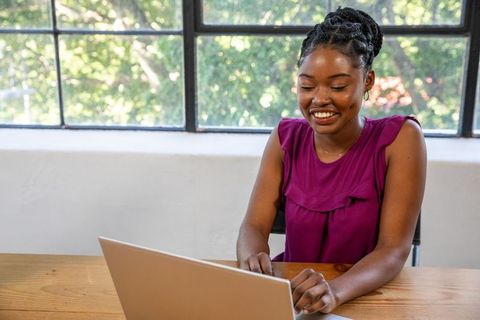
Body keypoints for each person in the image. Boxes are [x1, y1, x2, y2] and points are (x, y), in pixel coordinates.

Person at [236, 7, 426, 315]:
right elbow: (253, 225)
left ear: (367, 82)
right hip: (294, 296)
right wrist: (253, 256)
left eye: (338, 86)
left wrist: (334, 292)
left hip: (361, 294)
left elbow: (394, 250)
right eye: (307, 86)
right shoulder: (285, 138)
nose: (319, 99)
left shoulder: (401, 138)